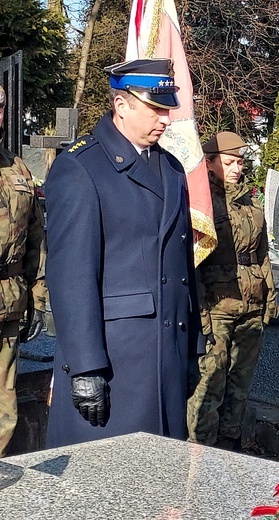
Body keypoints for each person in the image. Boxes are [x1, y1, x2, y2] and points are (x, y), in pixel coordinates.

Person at [45, 59, 204, 448]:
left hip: (166, 352)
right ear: (122, 106)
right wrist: (85, 366)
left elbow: (181, 263)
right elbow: (71, 276)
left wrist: (192, 345)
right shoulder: (81, 168)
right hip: (115, 361)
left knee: (157, 485)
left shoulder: (170, 167)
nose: (165, 119)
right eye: (155, 108)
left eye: (167, 108)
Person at [187, 131, 277, 449]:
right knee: (211, 382)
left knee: (241, 383)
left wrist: (269, 297)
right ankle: (200, 451)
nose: (237, 168)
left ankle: (230, 449)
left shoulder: (250, 200)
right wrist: (201, 315)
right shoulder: (201, 204)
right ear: (209, 164)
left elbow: (261, 252)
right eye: (229, 162)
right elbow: (193, 262)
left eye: (240, 162)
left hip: (250, 302)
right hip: (217, 304)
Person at [0, 85, 46, 456]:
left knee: (4, 410)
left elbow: (36, 239)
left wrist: (37, 298)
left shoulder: (17, 168)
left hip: (9, 303)